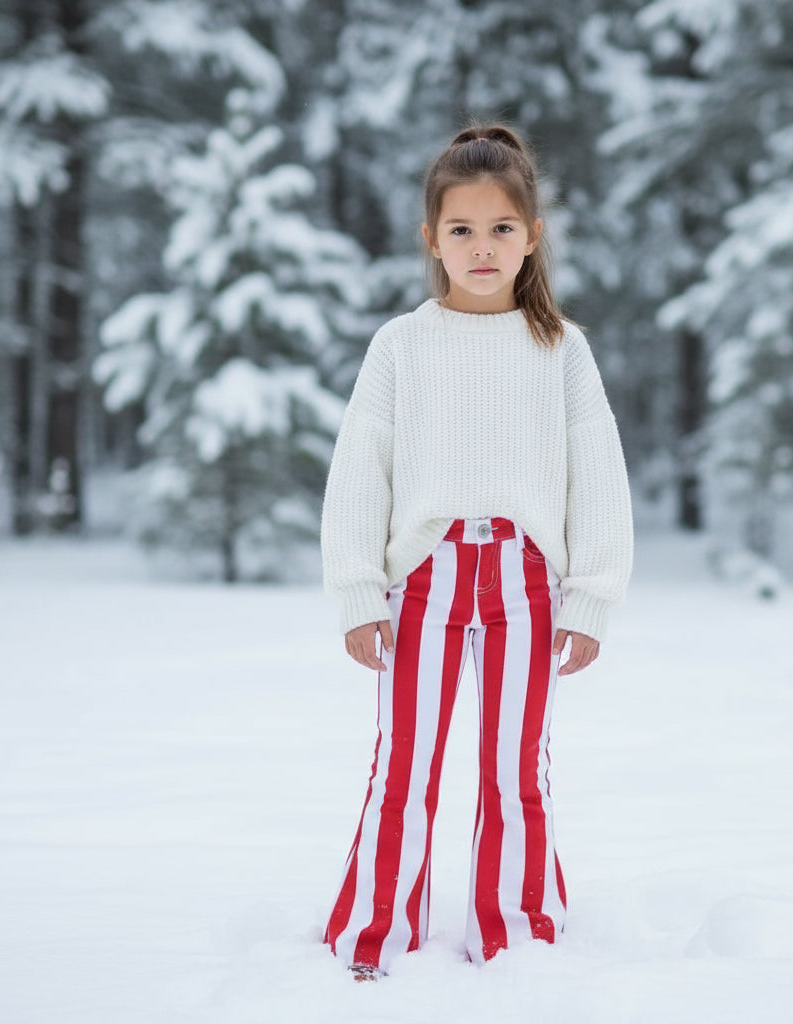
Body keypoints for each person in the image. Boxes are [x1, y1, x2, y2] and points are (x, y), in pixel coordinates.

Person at [320, 124, 633, 980]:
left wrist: (593, 599)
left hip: (527, 585)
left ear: (532, 237)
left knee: (515, 770)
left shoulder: (561, 349)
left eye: (502, 228)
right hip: (421, 582)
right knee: (404, 767)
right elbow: (359, 472)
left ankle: (520, 936)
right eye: (461, 229)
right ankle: (376, 935)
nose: (482, 247)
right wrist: (355, 592)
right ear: (431, 239)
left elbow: (597, 473)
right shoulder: (401, 345)